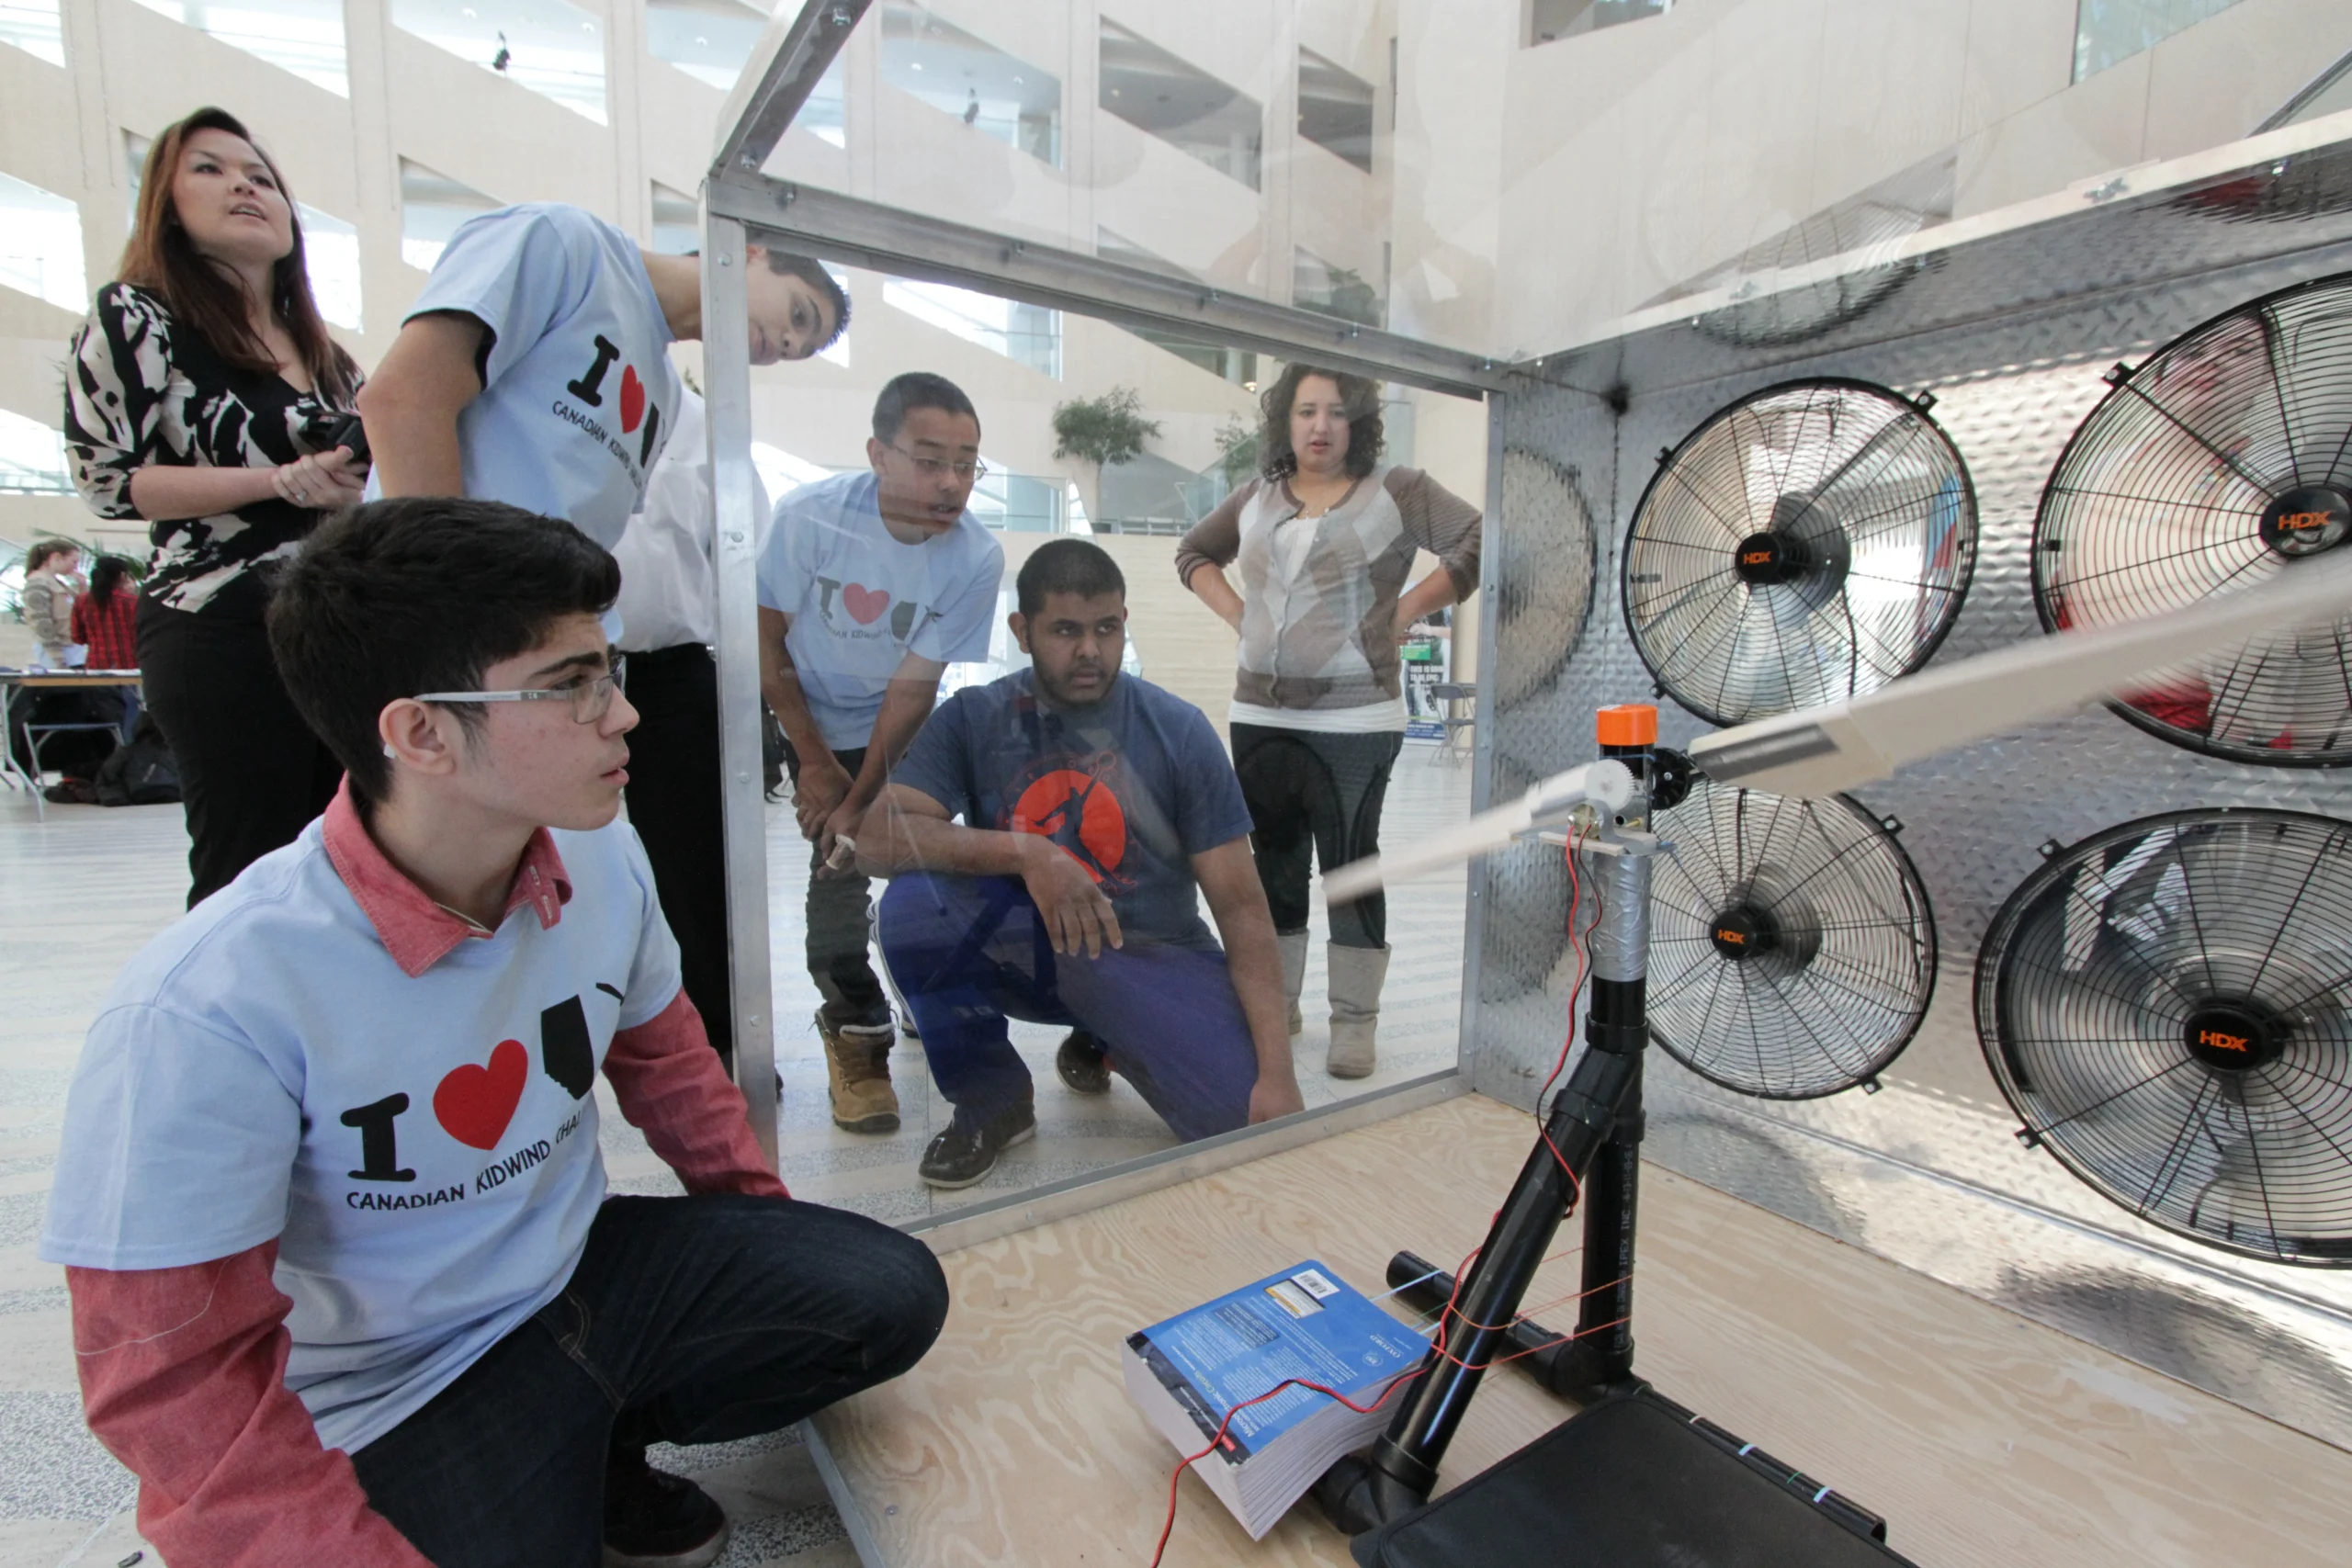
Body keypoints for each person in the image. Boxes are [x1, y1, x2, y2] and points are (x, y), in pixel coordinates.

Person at [40, 497, 947, 1568]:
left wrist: (770, 1246)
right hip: (394, 1381)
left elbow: (668, 1065)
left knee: (882, 1294)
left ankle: (593, 1445)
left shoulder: (599, 854)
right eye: (572, 684)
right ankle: (531, 1465)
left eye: (610, 670)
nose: (624, 714)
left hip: (573, 1280)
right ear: (420, 732)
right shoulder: (212, 1003)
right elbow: (169, 1378)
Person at [860, 540, 1306, 1189]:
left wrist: (1278, 1073)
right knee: (911, 909)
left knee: (1247, 1125)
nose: (1090, 649)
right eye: (1066, 630)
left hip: (1153, 955)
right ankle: (993, 1100)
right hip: (1031, 948)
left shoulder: (1178, 730)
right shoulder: (976, 718)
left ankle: (1106, 1036)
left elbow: (1241, 908)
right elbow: (878, 838)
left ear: (1125, 622)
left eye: (1107, 628)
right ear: (1023, 631)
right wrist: (1027, 853)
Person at [62, 107, 363, 906]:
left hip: (332, 629)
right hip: (218, 620)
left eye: (261, 177)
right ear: (167, 205)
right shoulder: (138, 315)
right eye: (210, 169)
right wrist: (279, 481)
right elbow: (107, 478)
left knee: (344, 863)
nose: (244, 186)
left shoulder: (329, 356)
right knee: (247, 870)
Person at [1175, 366, 1481, 1079]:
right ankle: (1277, 1005)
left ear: (1359, 422)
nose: (1320, 425)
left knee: (1350, 863)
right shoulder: (1256, 496)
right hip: (1258, 712)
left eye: (1337, 412)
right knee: (1275, 863)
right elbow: (1193, 552)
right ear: (1285, 419)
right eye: (1306, 410)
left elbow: (1478, 538)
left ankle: (1355, 1021)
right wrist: (1241, 616)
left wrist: (1407, 607)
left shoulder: (1397, 490)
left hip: (1358, 716)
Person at [755, 372, 1005, 1134]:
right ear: (878, 453)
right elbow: (764, 642)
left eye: (966, 464)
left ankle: (925, 985)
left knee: (912, 855)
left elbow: (913, 688)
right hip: (801, 709)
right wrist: (813, 762)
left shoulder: (975, 556)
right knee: (834, 868)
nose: (951, 482)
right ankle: (856, 1033)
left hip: (898, 724)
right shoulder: (810, 518)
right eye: (930, 460)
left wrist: (861, 798)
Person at [356, 200, 847, 558]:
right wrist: (450, 596)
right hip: (464, 617)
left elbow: (589, 533)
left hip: (548, 634)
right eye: (798, 315)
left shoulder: (665, 394)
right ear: (752, 252)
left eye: (799, 351)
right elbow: (401, 401)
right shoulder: (569, 245)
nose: (788, 344)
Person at [611, 388, 769, 1073]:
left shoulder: (702, 424)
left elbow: (748, 552)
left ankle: (718, 1044)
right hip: (541, 663)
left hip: (670, 668)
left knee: (697, 872)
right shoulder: (538, 397)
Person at [72, 554, 145, 740]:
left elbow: (77, 637)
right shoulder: (133, 602)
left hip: (97, 668)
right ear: (121, 576)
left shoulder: (82, 601)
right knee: (133, 713)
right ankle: (130, 747)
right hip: (130, 667)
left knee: (105, 715)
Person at [19, 538, 84, 668]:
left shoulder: (56, 582)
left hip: (70, 646)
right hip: (56, 649)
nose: (75, 567)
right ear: (57, 557)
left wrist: (82, 586)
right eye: (74, 561)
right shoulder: (38, 582)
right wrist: (56, 654)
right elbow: (40, 621)